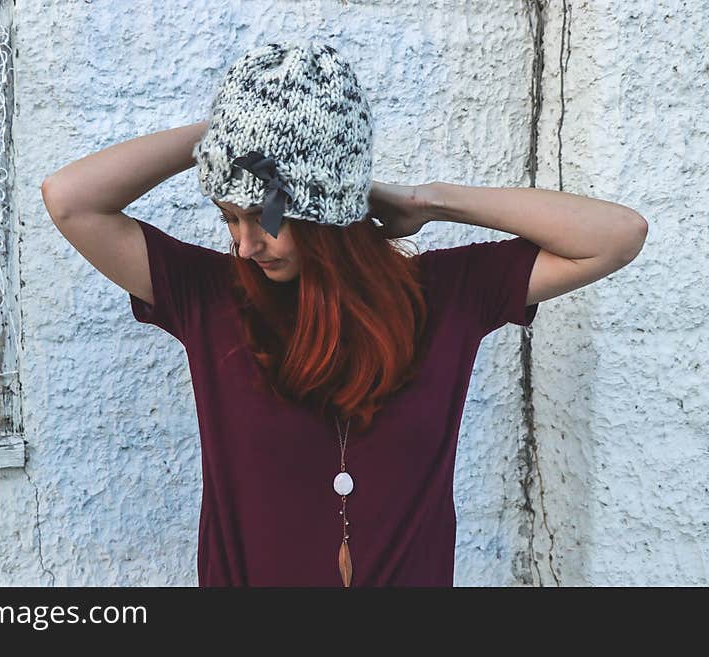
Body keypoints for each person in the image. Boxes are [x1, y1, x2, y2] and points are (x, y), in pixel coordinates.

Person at [41, 41, 647, 587]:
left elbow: (617, 235)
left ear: (327, 217)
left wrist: (428, 201)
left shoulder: (445, 295)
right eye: (230, 217)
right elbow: (71, 201)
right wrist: (231, 130)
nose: (245, 245)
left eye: (265, 218)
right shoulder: (212, 298)